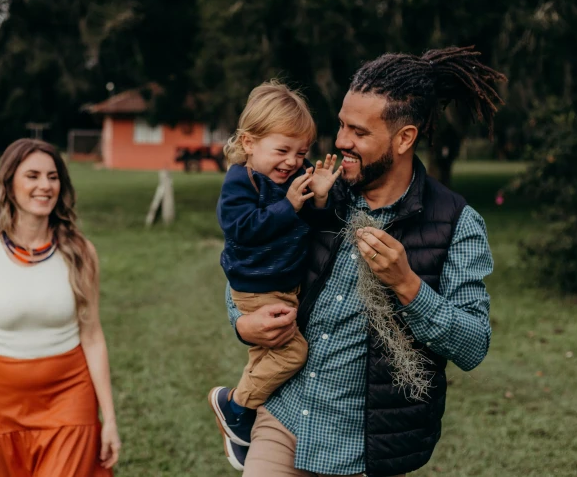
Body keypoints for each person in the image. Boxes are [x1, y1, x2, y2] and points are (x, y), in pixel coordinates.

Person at [219, 47, 506, 476]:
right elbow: (249, 259)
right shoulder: (315, 190)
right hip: (285, 419)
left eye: (358, 131)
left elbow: (473, 344)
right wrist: (242, 323)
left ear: (404, 138)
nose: (340, 142)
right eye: (340, 125)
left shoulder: (456, 224)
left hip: (367, 450)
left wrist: (407, 284)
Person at [0, 139, 121, 477]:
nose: (45, 186)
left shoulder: (80, 252)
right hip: (5, 404)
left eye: (52, 177)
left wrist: (108, 419)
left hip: (70, 397)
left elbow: (92, 336)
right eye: (32, 176)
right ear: (8, 185)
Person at [208, 81, 343, 470]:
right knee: (292, 352)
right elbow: (242, 228)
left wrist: (317, 198)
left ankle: (240, 429)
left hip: (283, 284)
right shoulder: (240, 182)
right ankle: (235, 406)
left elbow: (311, 225)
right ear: (250, 143)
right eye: (281, 150)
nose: (291, 161)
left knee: (266, 355)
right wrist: (288, 205)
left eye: (301, 152)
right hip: (257, 287)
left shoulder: (293, 179)